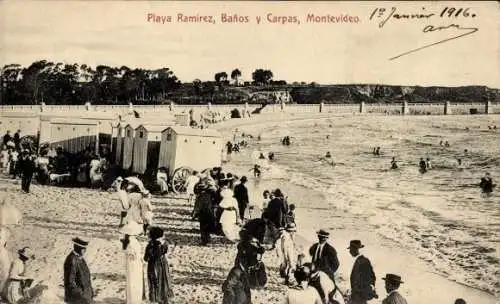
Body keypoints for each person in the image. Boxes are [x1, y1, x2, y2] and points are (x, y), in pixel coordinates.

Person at [144, 227, 174, 304]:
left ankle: (156, 298)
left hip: (152, 266)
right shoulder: (163, 245)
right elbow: (165, 251)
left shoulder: (150, 246)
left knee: (154, 282)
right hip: (163, 265)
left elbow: (146, 258)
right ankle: (165, 299)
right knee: (164, 281)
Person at [64, 237, 94, 304]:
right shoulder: (71, 260)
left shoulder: (80, 258)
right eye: (83, 249)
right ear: (78, 249)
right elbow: (70, 283)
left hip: (85, 297)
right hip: (77, 299)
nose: (85, 251)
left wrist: (90, 292)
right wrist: (81, 295)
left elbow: (86, 277)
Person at [120, 221, 143, 304]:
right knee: (135, 281)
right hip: (134, 264)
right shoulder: (133, 242)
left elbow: (127, 251)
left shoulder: (128, 241)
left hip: (130, 264)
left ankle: (131, 299)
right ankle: (134, 300)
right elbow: (133, 255)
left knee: (130, 281)